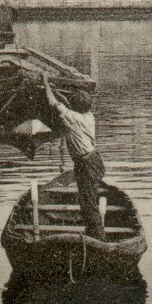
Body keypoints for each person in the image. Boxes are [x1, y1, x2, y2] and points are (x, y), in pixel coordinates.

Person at [43, 79, 105, 240]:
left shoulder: (73, 119)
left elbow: (51, 102)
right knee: (88, 200)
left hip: (87, 163)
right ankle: (92, 233)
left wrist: (45, 83)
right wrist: (57, 92)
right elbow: (64, 104)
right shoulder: (88, 116)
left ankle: (99, 238)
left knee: (88, 204)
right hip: (92, 160)